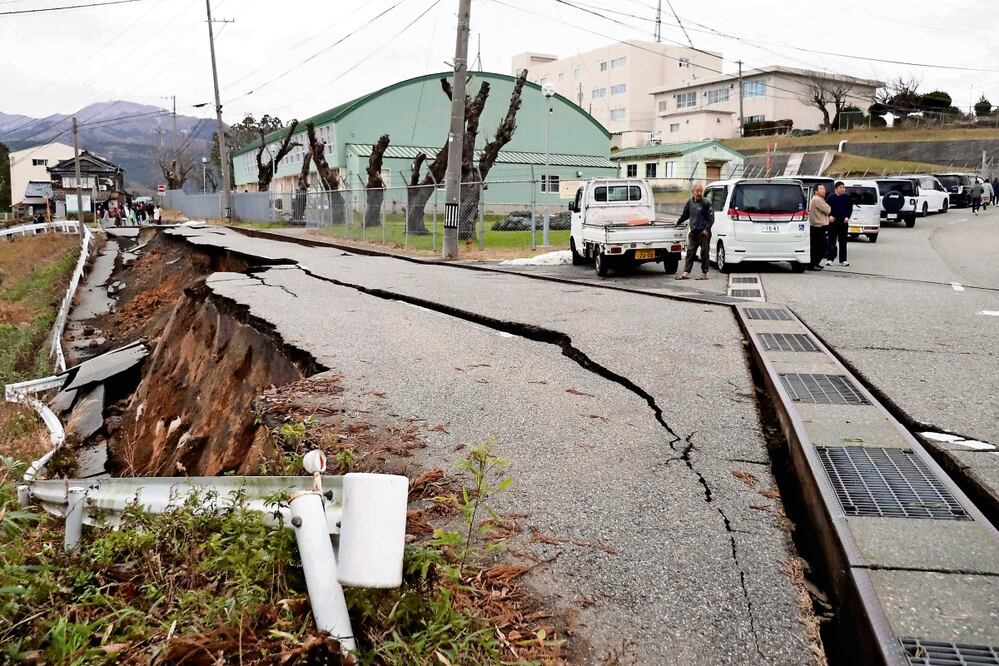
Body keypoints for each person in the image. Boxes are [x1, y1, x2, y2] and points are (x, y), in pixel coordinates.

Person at [675, 183, 714, 280]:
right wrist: (678, 222)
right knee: (690, 252)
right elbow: (685, 215)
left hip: (704, 233)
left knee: (704, 253)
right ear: (693, 192)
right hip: (693, 232)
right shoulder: (690, 202)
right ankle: (686, 272)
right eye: (698, 191)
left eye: (701, 191)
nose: (700, 193)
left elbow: (711, 218)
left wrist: (706, 229)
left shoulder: (706, 203)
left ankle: (704, 273)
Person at [825, 181, 853, 266]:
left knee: (843, 241)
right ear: (836, 189)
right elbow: (826, 209)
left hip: (843, 222)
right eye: (841, 187)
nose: (843, 189)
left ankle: (843, 260)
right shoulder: (830, 198)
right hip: (833, 223)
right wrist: (829, 216)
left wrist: (847, 217)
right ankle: (830, 259)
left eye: (844, 187)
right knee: (832, 241)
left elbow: (850, 209)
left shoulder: (847, 198)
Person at [808, 184, 831, 270]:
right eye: (821, 189)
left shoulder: (819, 199)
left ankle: (816, 263)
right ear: (816, 191)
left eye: (824, 189)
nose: (823, 190)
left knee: (819, 247)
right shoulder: (817, 199)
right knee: (819, 247)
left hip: (819, 227)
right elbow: (828, 210)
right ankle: (812, 264)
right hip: (818, 227)